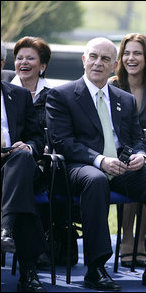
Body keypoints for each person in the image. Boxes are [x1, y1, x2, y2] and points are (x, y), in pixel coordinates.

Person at [45, 37, 146, 290]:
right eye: (93, 57)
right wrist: (99, 160)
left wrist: (141, 155)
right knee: (95, 180)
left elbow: (139, 139)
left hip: (121, 168)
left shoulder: (124, 99)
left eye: (105, 59)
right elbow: (62, 142)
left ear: (114, 65)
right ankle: (96, 268)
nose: (98, 63)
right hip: (79, 168)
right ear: (84, 60)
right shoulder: (61, 95)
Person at [109, 33, 146, 269]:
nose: (131, 58)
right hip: (115, 155)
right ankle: (127, 238)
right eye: (127, 53)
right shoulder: (111, 86)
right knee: (129, 169)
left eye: (137, 53)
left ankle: (141, 241)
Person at [1, 40, 48, 291]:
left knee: (21, 161)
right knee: (22, 198)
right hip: (15, 181)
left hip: (12, 164)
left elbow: (37, 136)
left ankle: (5, 227)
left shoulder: (18, 95)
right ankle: (29, 271)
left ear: (1, 64)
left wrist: (28, 147)